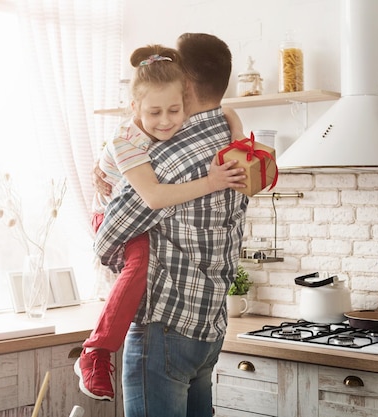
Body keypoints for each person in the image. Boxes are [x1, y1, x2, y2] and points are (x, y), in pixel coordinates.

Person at [74, 43, 247, 401]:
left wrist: (109, 256)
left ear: (186, 91)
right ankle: (95, 351)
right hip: (208, 326)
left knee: (138, 264)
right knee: (138, 265)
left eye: (174, 110)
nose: (166, 120)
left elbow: (111, 237)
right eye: (156, 112)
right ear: (136, 108)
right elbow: (150, 197)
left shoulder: (173, 154)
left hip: (166, 327)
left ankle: (96, 350)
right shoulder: (228, 152)